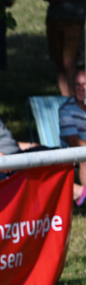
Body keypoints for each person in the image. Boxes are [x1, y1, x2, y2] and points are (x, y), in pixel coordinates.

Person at [40, 0, 86, 97]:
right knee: (59, 62)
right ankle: (65, 97)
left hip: (74, 20)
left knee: (68, 63)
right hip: (54, 19)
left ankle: (74, 97)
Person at [58, 69, 86, 200]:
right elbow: (73, 142)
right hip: (73, 152)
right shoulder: (66, 110)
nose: (81, 88)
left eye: (84, 84)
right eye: (77, 84)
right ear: (73, 88)